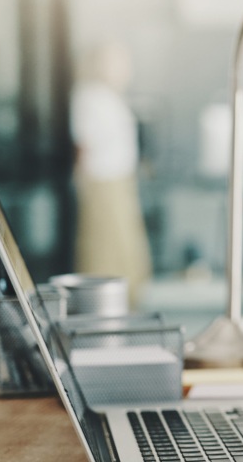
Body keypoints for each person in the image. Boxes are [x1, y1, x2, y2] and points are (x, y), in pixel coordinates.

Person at [71, 41, 153, 307]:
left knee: (125, 243)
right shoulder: (88, 96)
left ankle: (125, 299)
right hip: (102, 181)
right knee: (104, 245)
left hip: (120, 180)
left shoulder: (110, 96)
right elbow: (84, 144)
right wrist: (81, 181)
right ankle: (101, 301)